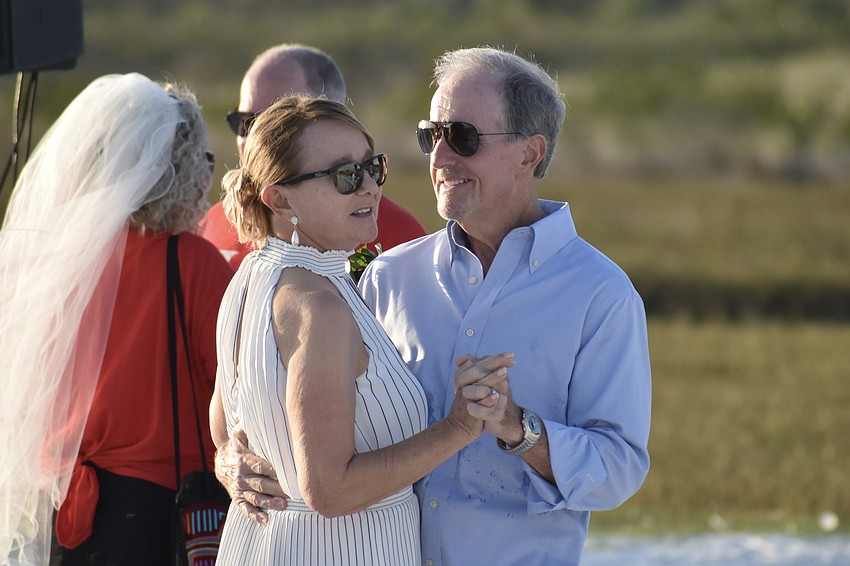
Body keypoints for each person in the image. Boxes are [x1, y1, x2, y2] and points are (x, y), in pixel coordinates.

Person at [217, 47, 652, 566]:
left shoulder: (600, 294)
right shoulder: (388, 275)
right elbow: (275, 408)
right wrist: (230, 461)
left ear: (530, 154)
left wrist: (519, 429)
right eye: (432, 136)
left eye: (463, 137)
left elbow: (619, 468)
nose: (440, 159)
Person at [211, 95, 512, 565]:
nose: (370, 188)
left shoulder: (249, 278)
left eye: (373, 167)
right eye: (344, 176)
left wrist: (229, 462)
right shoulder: (319, 309)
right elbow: (329, 490)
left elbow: (222, 425)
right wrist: (458, 427)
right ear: (279, 197)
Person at [0, 73, 233, 565]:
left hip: (69, 511)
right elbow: (239, 394)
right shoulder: (191, 260)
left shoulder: (60, 263)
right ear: (177, 168)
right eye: (202, 161)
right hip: (164, 511)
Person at [201, 43, 427, 270]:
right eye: (246, 122)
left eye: (283, 123)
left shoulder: (400, 237)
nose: (258, 138)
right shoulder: (214, 223)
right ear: (277, 199)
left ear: (334, 115)